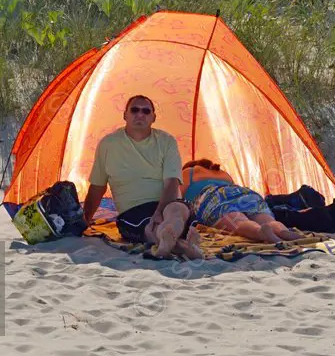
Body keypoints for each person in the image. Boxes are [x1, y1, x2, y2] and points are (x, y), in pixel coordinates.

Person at [82, 95, 203, 259]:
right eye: (135, 110)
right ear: (125, 115)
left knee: (177, 209)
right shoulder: (108, 144)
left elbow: (172, 183)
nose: (140, 114)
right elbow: (97, 187)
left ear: (153, 117)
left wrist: (159, 211)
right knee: (150, 227)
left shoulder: (166, 141)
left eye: (146, 111)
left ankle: (169, 242)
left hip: (166, 204)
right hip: (133, 210)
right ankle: (180, 244)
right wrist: (85, 220)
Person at [180, 159, 302, 244]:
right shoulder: (223, 174)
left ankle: (259, 232)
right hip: (244, 193)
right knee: (266, 219)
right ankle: (282, 231)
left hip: (215, 196)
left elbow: (177, 197)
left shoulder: (188, 172)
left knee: (237, 221)